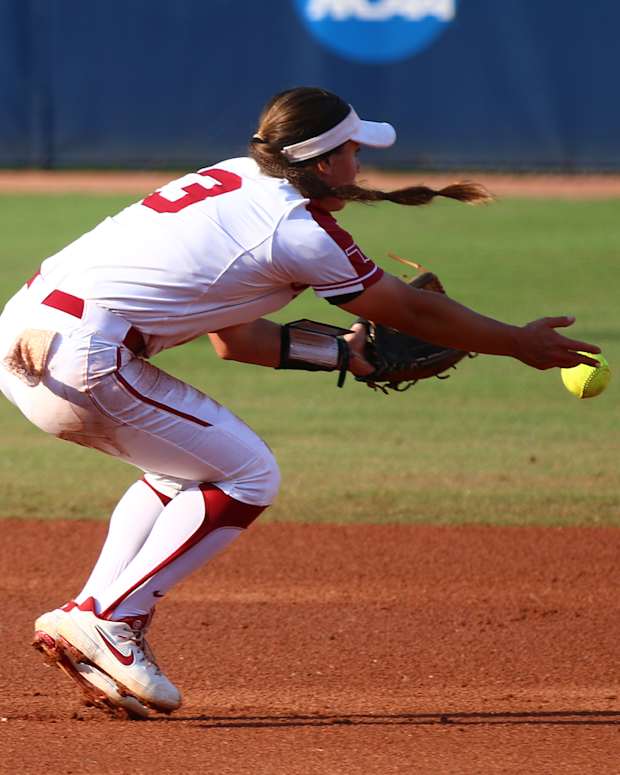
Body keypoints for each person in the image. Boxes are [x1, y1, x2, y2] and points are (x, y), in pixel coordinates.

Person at [0, 86, 599, 718]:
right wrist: (519, 343)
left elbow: (234, 339)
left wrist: (345, 355)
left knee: (183, 471)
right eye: (353, 151)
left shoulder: (235, 177)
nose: (360, 164)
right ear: (323, 161)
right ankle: (115, 620)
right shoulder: (298, 231)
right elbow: (414, 310)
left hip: (25, 342)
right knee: (249, 476)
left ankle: (91, 613)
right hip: (87, 358)